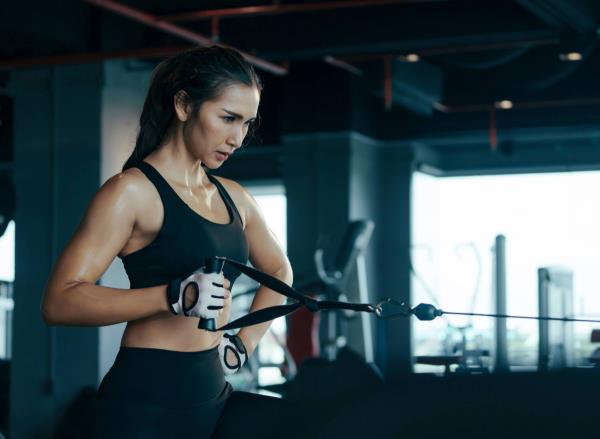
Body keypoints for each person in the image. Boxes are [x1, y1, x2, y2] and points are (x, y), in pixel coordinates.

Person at [42, 46, 301, 438]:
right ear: (183, 105)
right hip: (146, 395)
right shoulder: (131, 192)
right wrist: (173, 296)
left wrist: (244, 343)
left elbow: (279, 272)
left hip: (212, 389)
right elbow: (60, 300)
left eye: (246, 123)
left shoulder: (234, 196)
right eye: (227, 118)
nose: (237, 138)